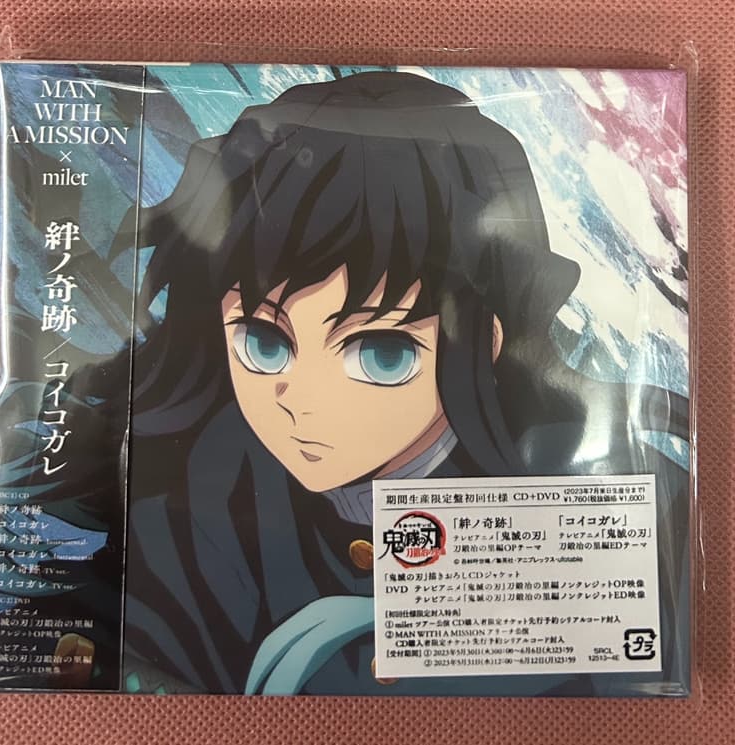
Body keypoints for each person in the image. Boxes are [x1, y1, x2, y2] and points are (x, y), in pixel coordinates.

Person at [113, 71, 689, 696]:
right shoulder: (198, 489)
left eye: (381, 354)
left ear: (486, 339)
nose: (302, 404)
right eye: (264, 343)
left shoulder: (616, 497)